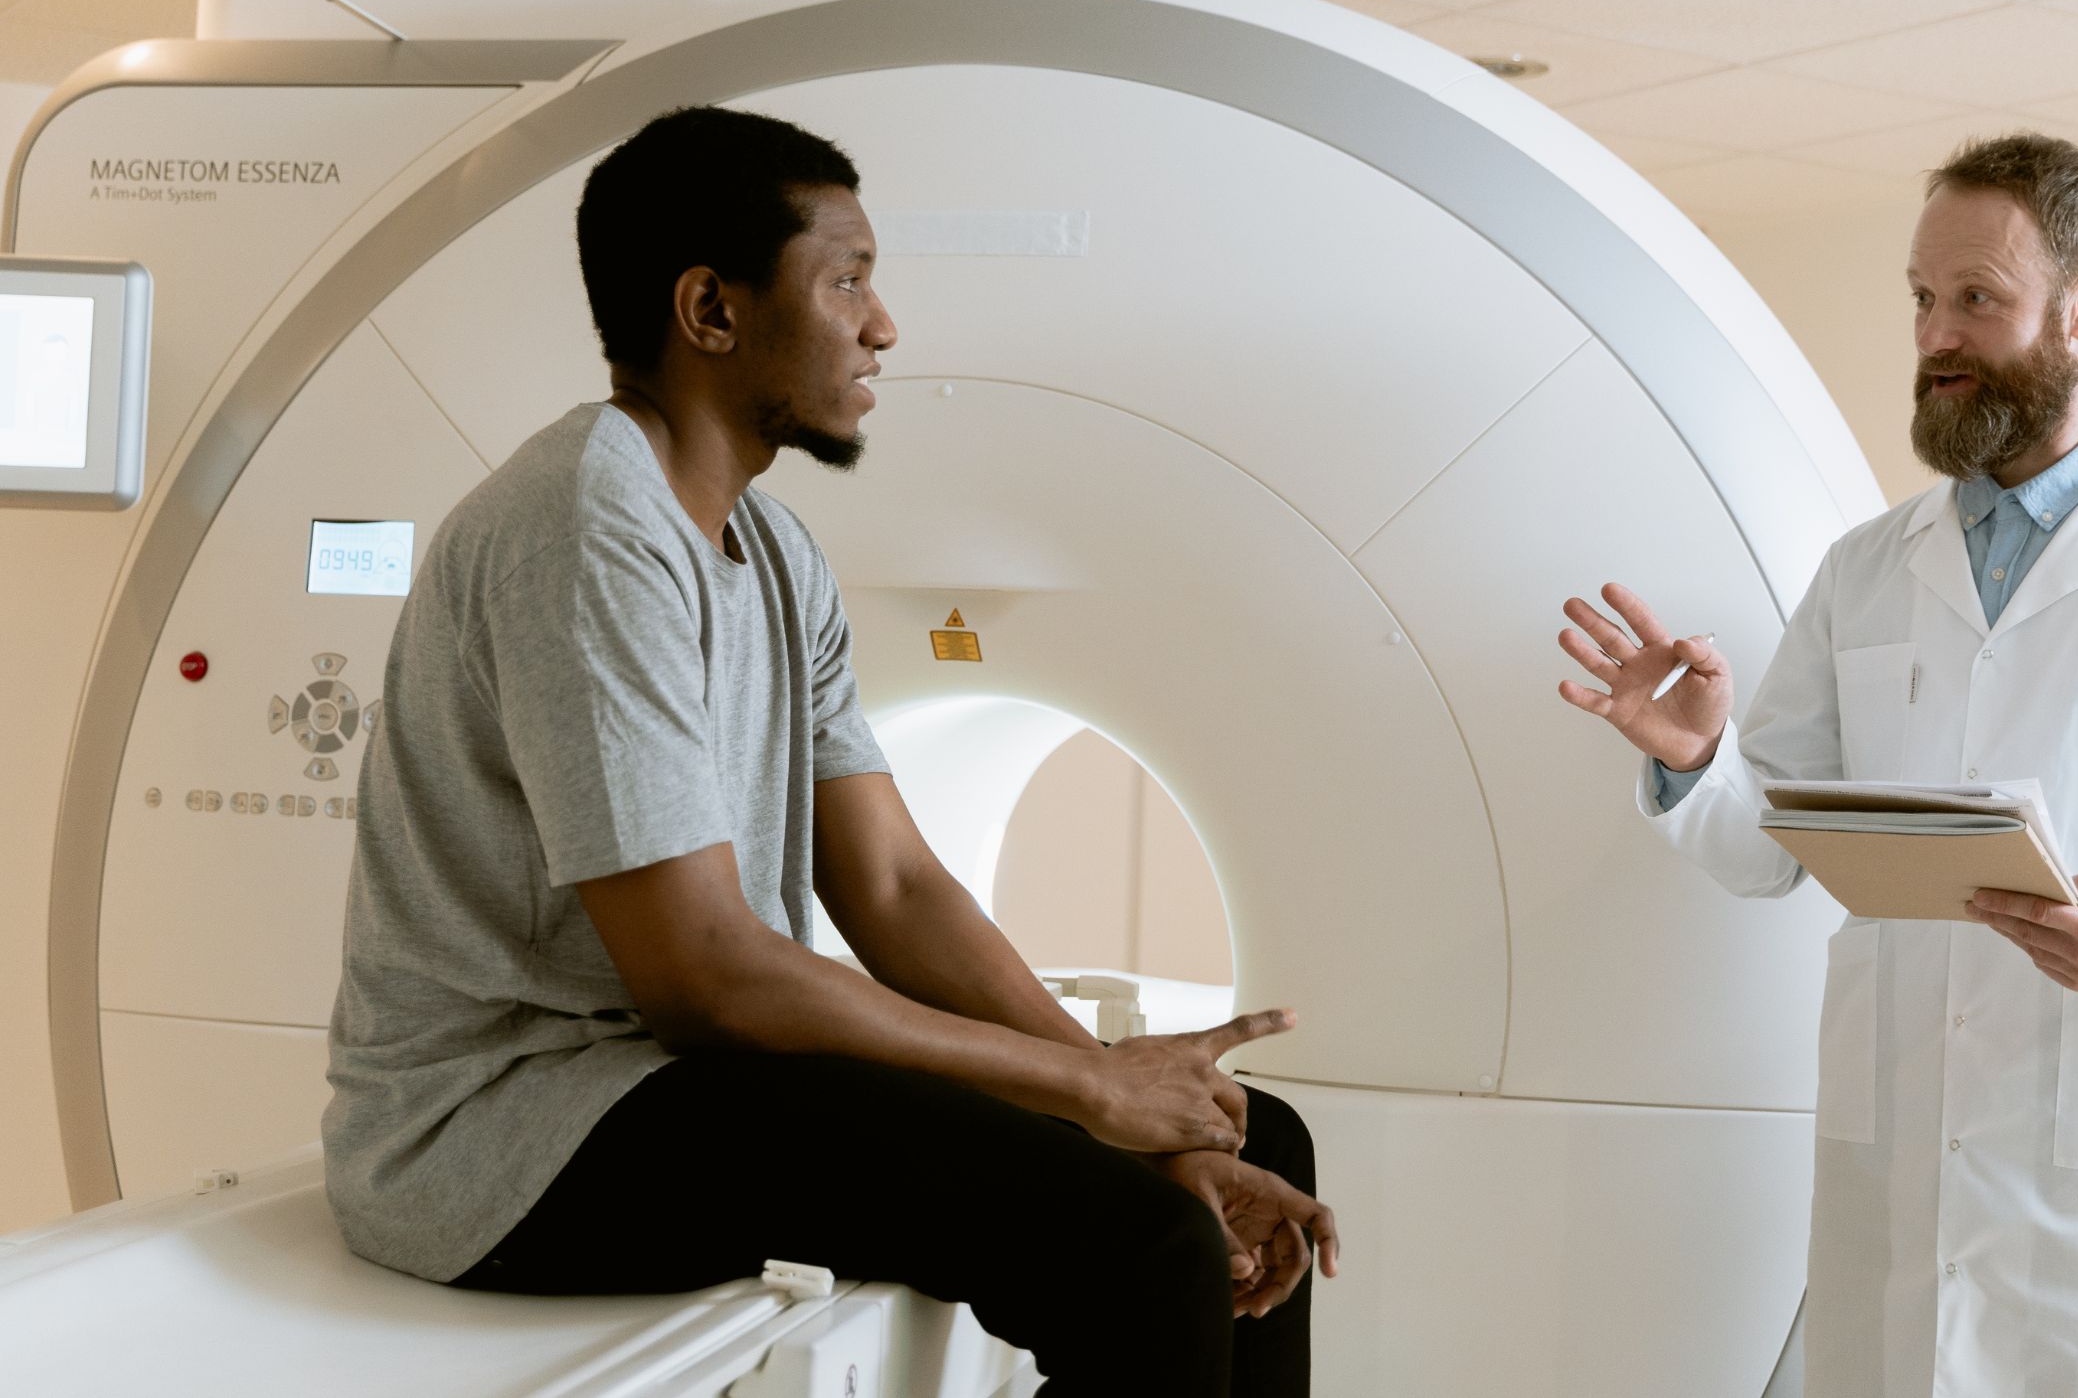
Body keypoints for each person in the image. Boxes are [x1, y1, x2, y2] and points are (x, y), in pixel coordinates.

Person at [322, 105, 1337, 1397]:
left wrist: (1121, 1094)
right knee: (1136, 1241)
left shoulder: (775, 553)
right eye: (846, 280)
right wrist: (1087, 1094)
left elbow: (893, 885)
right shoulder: (583, 530)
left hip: (678, 1080)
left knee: (1255, 1144)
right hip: (505, 1128)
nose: (882, 325)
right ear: (710, 309)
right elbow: (704, 975)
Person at [1555, 133, 2078, 1397]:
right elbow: (1769, 846)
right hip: (1898, 1182)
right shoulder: (1866, 565)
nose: (1935, 336)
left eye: (1976, 296)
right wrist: (1696, 759)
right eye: (1921, 297)